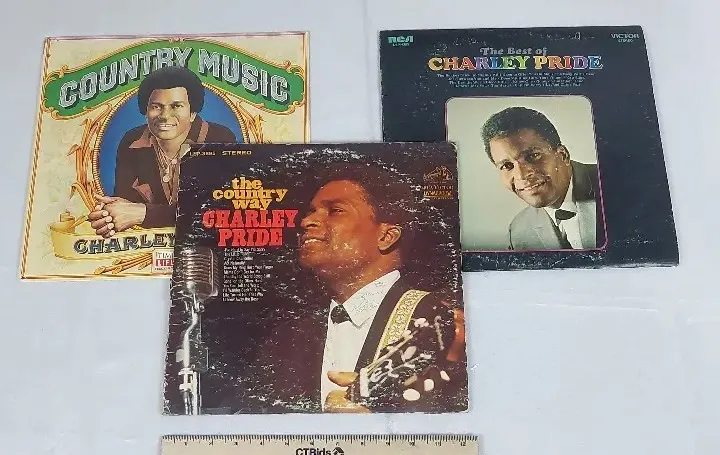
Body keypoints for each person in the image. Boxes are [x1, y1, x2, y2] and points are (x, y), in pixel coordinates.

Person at [236, 163, 467, 414]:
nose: (306, 221)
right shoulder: (284, 339)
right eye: (311, 212)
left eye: (335, 211)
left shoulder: (442, 321)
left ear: (386, 237)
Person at [89, 66, 236, 237]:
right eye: (156, 106)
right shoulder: (131, 141)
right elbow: (125, 205)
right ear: (146, 112)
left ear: (192, 113)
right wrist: (109, 216)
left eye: (176, 106)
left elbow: (221, 212)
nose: (165, 115)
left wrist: (144, 214)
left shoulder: (220, 138)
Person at [481, 106, 605, 250]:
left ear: (562, 155)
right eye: (507, 166)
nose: (521, 175)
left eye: (533, 156)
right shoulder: (518, 232)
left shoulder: (617, 183)